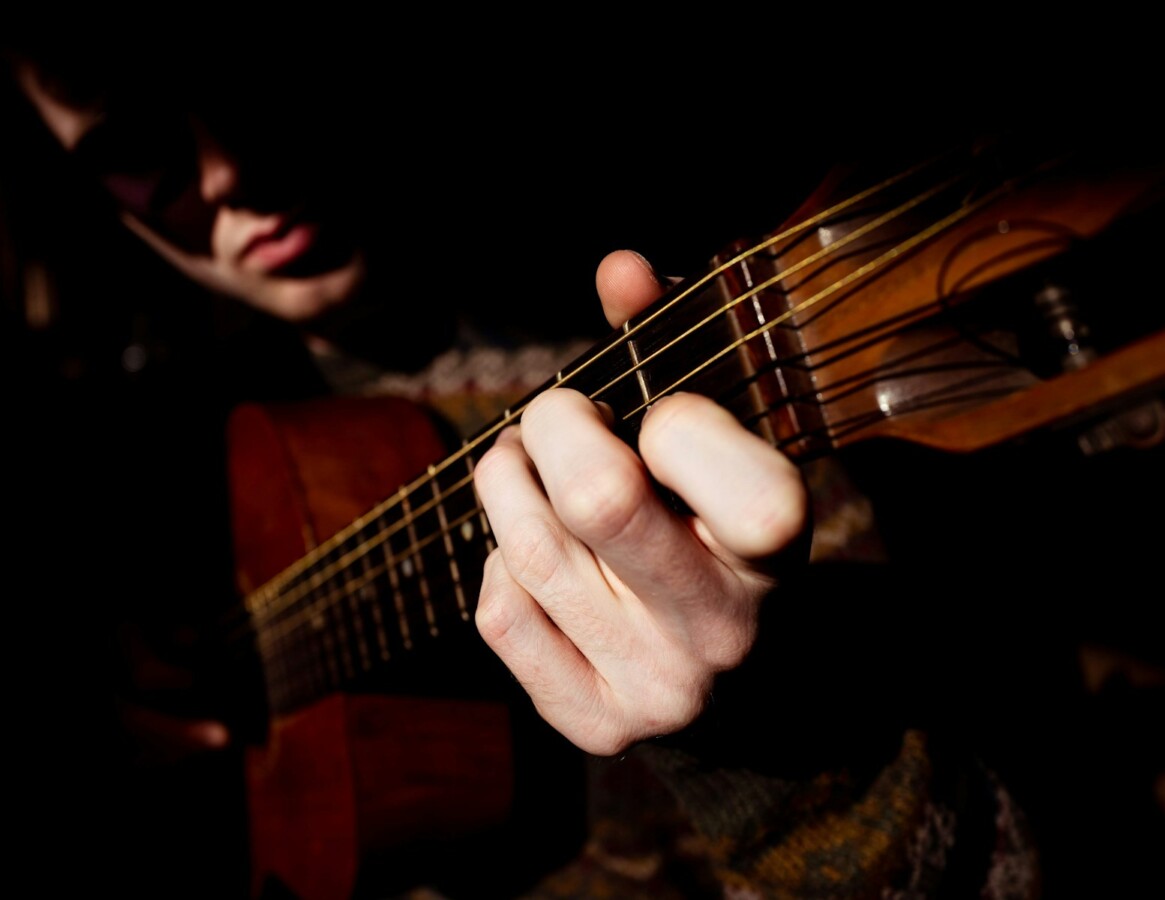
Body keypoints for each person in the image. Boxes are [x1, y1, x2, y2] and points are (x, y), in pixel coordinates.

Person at [4, 23, 1162, 900]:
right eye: (133, 149)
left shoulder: (687, 340)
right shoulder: (143, 458)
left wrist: (762, 746)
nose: (224, 168)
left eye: (233, 71)